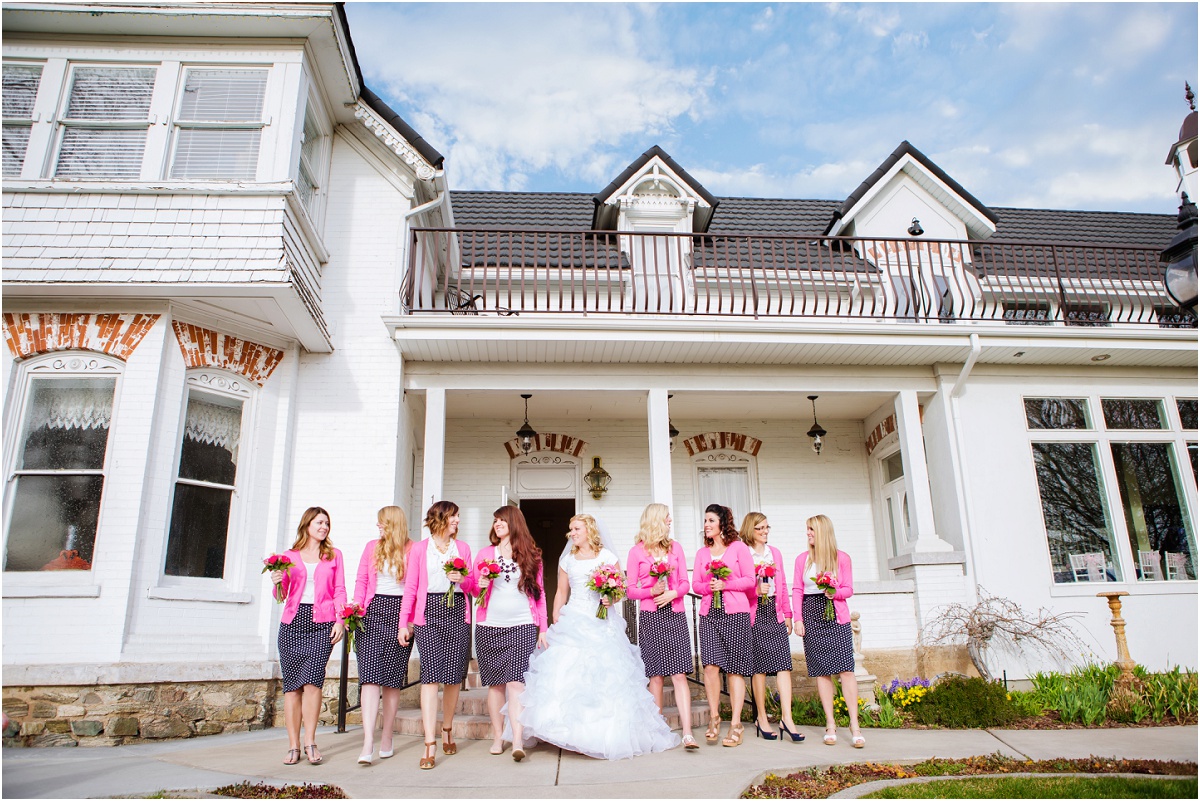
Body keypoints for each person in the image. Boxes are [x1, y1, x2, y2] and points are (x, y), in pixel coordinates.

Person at [517, 513, 679, 760]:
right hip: (573, 620)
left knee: (606, 676)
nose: (572, 533)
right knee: (569, 673)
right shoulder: (568, 560)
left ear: (589, 530)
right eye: (570, 529)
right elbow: (561, 591)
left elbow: (621, 590)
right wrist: (555, 616)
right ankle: (567, 733)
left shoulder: (607, 557)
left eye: (577, 528)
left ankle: (597, 733)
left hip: (602, 622)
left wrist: (610, 598)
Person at [467, 506, 548, 761]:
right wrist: (476, 583)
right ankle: (497, 736)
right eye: (495, 521)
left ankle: (517, 739)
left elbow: (540, 593)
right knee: (495, 685)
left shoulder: (531, 555)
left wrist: (543, 628)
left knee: (516, 682)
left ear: (514, 523)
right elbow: (470, 586)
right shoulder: (484, 554)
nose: (497, 524)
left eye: (502, 520)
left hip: (522, 624)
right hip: (489, 625)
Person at [398, 501, 472, 770]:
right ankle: (430, 742)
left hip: (457, 613)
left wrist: (461, 580)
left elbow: (473, 585)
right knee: (430, 676)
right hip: (427, 614)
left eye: (458, 517)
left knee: (452, 677)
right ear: (440, 518)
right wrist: (403, 623)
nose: (457, 521)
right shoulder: (420, 549)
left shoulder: (462, 548)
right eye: (454, 516)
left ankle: (448, 728)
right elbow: (411, 587)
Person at [270, 506, 346, 766]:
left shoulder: (334, 555)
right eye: (319, 522)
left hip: (322, 624)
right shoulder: (288, 556)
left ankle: (310, 741)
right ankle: (293, 746)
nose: (324, 527)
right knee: (292, 689)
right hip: (292, 624)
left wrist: (340, 620)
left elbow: (339, 591)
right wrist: (277, 581)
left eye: (327, 523)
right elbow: (281, 597)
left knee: (313, 683)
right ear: (307, 525)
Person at [626, 503, 698, 750]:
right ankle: (657, 732)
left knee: (679, 674)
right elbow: (629, 589)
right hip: (650, 617)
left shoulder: (675, 548)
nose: (670, 520)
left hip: (674, 614)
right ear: (656, 520)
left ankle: (688, 733)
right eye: (667, 517)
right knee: (655, 676)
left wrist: (672, 594)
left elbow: (685, 583)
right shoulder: (636, 552)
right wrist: (650, 591)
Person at [791, 514, 862, 748]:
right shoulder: (803, 560)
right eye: (807, 529)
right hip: (811, 615)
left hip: (835, 615)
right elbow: (798, 590)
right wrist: (799, 619)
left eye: (811, 529)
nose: (808, 533)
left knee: (846, 670)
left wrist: (835, 593)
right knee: (822, 671)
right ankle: (830, 724)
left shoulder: (841, 558)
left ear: (822, 532)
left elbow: (849, 588)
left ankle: (854, 725)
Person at [352, 505, 413, 765]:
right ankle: (368, 740)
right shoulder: (371, 547)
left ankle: (387, 736)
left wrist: (408, 622)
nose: (378, 526)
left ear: (394, 523)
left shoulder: (413, 549)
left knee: (391, 680)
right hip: (372, 613)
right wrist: (354, 612)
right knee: (369, 678)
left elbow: (416, 587)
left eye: (382, 522)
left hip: (400, 614)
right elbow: (361, 582)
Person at [692, 503, 755, 747]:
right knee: (709, 667)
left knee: (735, 670)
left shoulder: (738, 548)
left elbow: (750, 581)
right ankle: (714, 716)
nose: (706, 525)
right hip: (709, 614)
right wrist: (710, 587)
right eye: (705, 521)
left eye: (710, 520)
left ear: (722, 524)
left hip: (735, 614)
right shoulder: (701, 554)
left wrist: (725, 585)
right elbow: (696, 584)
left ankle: (736, 723)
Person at [739, 512, 803, 742]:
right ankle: (762, 718)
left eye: (767, 527)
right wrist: (755, 590)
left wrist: (787, 613)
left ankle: (787, 717)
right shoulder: (742, 553)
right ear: (750, 530)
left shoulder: (774, 553)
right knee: (759, 668)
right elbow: (738, 587)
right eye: (760, 528)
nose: (765, 532)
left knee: (783, 665)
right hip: (753, 615)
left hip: (774, 613)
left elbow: (783, 585)